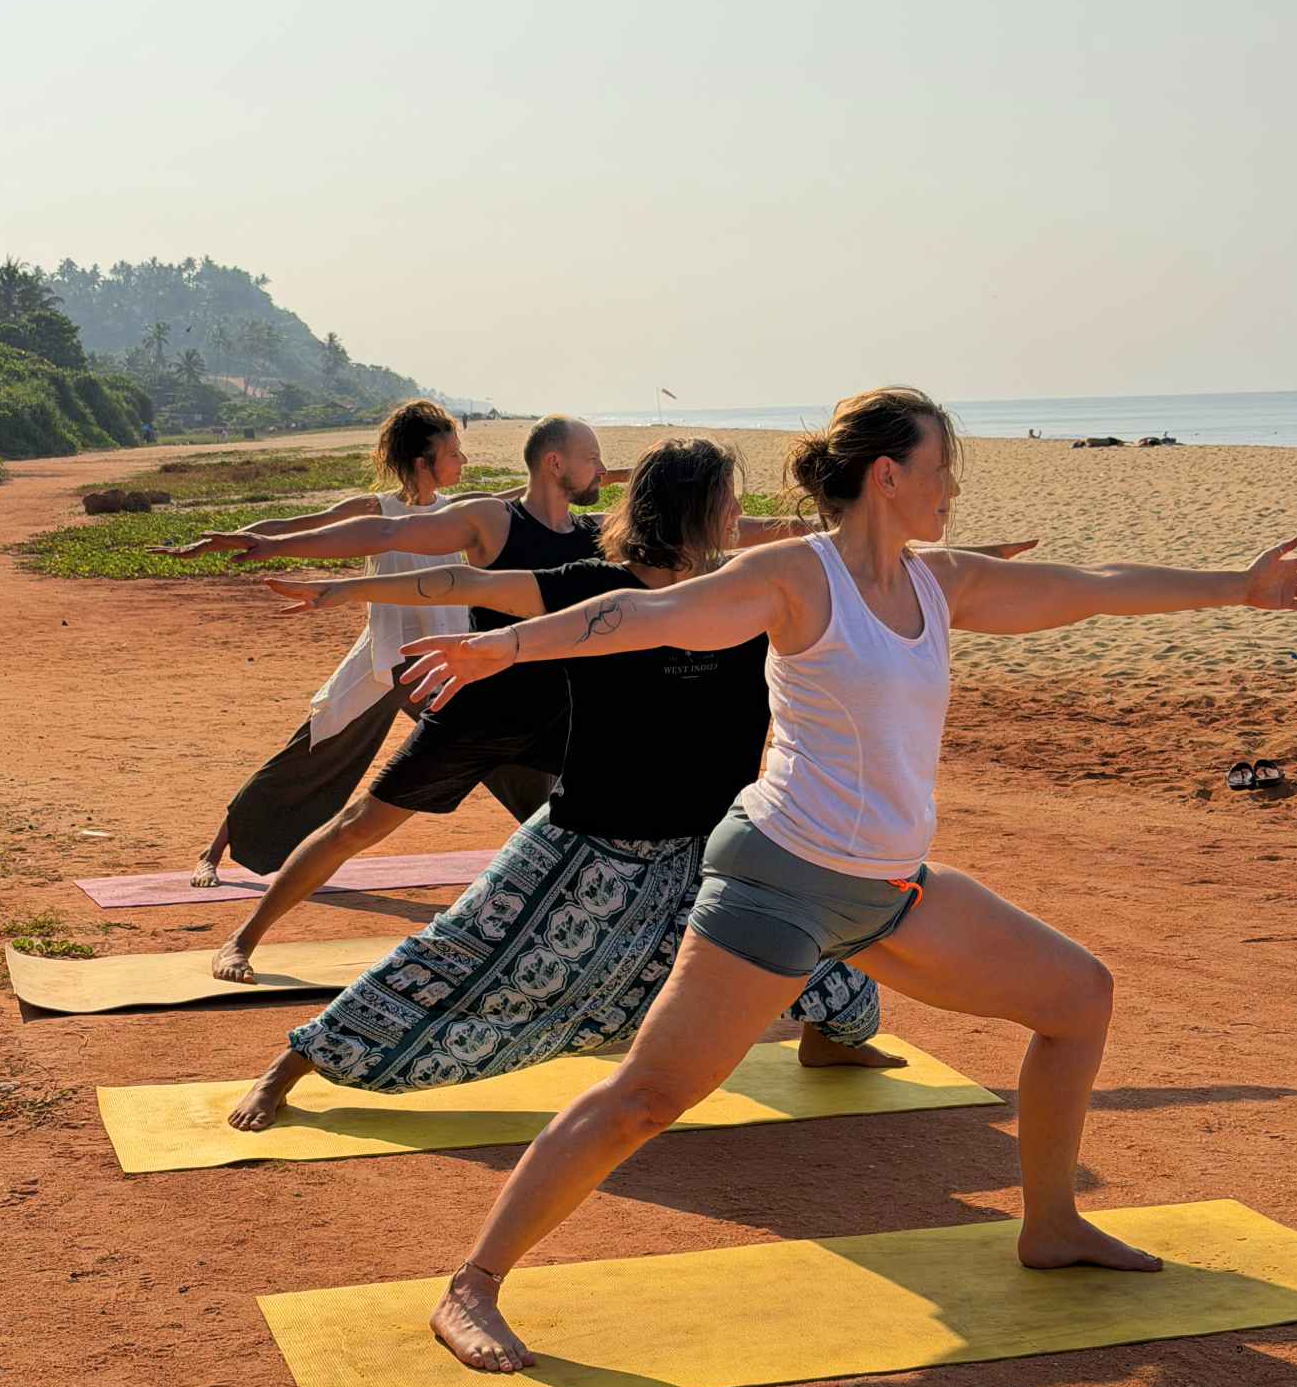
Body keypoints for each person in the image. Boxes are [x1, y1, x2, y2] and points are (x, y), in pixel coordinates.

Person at [394, 387, 1297, 1372]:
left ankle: (1052, 1223)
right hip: (778, 883)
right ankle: (473, 1282)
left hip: (889, 889)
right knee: (647, 1097)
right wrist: (501, 645)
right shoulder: (796, 579)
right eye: (941, 467)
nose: (952, 487)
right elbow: (649, 612)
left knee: (1078, 997)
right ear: (887, 475)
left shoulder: (940, 583)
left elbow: (1088, 585)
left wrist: (1240, 587)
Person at [222, 437, 904, 1135]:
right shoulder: (593, 586)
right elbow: (466, 585)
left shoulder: (746, 589)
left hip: (714, 839)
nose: (737, 512)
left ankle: (832, 1037)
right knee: (463, 958)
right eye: (726, 498)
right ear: (693, 507)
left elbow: (850, 563)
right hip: (596, 838)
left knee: (809, 931)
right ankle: (296, 1062)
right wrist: (345, 590)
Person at [164, 416, 628, 975]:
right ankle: (242, 935)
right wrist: (271, 543)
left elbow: (685, 532)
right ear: (555, 464)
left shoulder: (592, 533)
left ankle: (612, 950)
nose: (602, 469)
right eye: (592, 458)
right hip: (452, 695)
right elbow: (383, 533)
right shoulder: (485, 518)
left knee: (593, 823)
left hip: (545, 710)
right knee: (352, 815)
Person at [177, 399, 520, 889]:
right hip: (385, 658)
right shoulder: (376, 510)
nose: (462, 461)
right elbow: (299, 527)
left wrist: (611, 476)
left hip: (443, 659)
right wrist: (236, 538)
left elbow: (532, 493)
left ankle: (559, 844)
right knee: (314, 746)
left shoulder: (459, 512)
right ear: (423, 462)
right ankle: (212, 851)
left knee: (503, 747)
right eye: (453, 453)